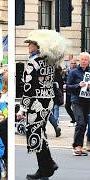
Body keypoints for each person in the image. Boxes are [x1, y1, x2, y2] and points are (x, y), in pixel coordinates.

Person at [16, 30, 65, 179]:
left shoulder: (32, 63)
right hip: (48, 101)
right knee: (40, 133)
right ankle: (47, 165)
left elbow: (28, 87)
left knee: (35, 134)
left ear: (38, 46)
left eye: (30, 44)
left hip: (35, 102)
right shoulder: (51, 62)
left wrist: (22, 108)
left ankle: (45, 168)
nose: (28, 46)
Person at [67, 52, 90, 155]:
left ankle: (80, 146)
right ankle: (76, 146)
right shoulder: (74, 72)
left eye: (86, 59)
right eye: (82, 59)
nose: (84, 61)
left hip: (87, 101)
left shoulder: (89, 72)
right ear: (79, 60)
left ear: (88, 61)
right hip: (76, 100)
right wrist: (78, 85)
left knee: (84, 124)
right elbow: (68, 86)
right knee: (80, 122)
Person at [64, 56, 77, 127]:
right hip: (69, 92)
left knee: (75, 107)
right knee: (67, 106)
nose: (73, 64)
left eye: (74, 63)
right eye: (72, 63)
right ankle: (74, 119)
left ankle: (75, 120)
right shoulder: (67, 71)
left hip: (74, 92)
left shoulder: (77, 71)